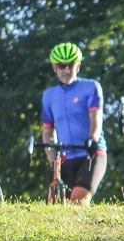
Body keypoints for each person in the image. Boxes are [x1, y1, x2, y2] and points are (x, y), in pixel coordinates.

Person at [41, 42, 106, 205]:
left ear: (79, 66)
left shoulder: (91, 87)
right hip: (65, 157)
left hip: (90, 153)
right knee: (54, 205)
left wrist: (93, 138)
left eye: (71, 65)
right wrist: (51, 159)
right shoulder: (49, 96)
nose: (67, 70)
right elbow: (48, 131)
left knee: (78, 200)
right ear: (54, 68)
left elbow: (96, 118)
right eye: (62, 66)